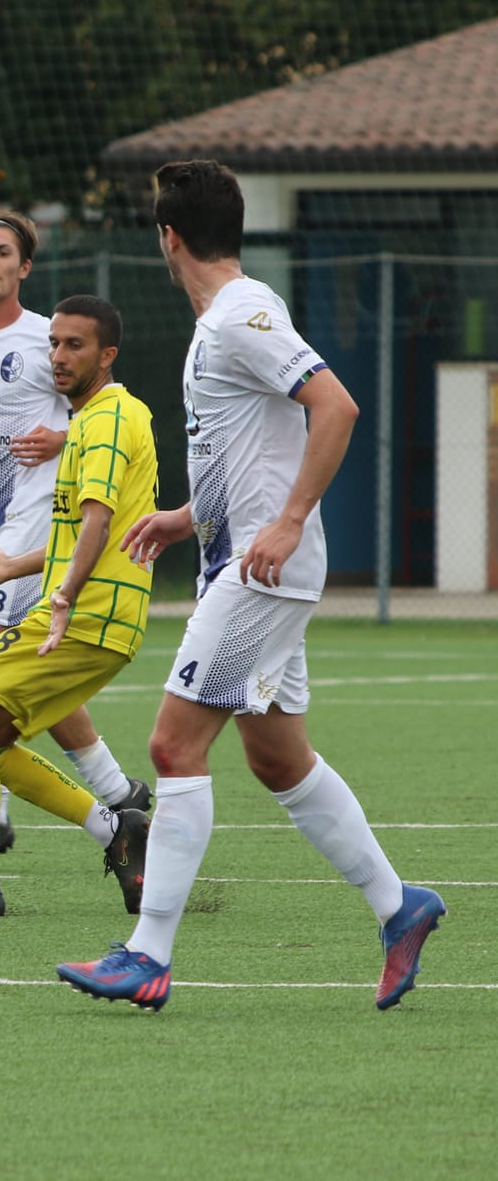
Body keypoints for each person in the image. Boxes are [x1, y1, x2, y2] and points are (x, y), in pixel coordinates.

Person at [57, 159, 445, 1011]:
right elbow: (254, 451)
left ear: (169, 237)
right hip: (245, 560)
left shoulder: (242, 314)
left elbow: (334, 406)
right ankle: (399, 905)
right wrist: (184, 516)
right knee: (276, 756)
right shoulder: (225, 322)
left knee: (172, 746)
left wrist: (292, 518)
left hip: (262, 570)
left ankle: (147, 952)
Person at [0, 210, 150, 872]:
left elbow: (110, 416)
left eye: (2, 251)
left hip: (40, 523)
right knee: (27, 675)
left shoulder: (52, 337)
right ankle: (119, 795)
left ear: (23, 266)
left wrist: (60, 439)